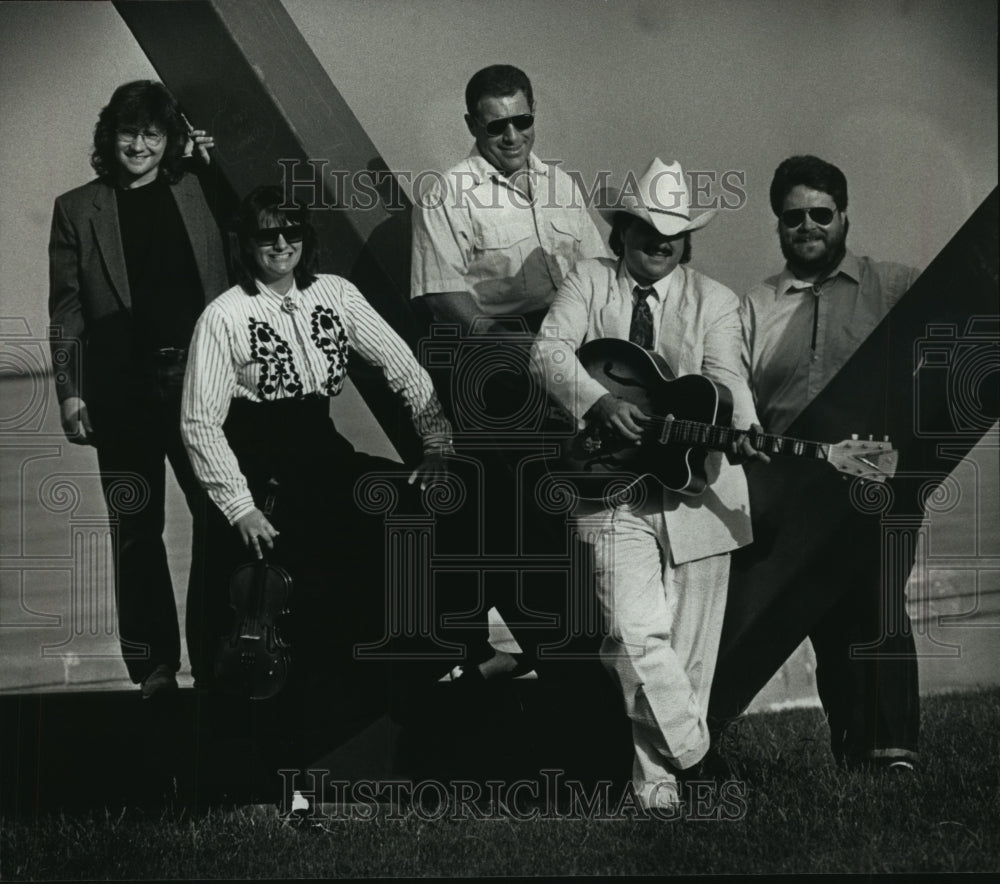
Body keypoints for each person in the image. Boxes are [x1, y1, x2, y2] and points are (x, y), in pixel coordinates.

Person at [532, 158, 767, 809]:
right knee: (633, 639)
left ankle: (658, 800)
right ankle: (701, 764)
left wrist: (745, 427)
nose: (658, 243)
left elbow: (729, 380)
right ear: (622, 233)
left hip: (699, 493)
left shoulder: (716, 301)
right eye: (646, 231)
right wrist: (600, 403)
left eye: (672, 233)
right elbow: (547, 353)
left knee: (685, 662)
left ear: (686, 239)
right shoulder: (588, 280)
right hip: (605, 486)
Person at [180, 184, 451, 690]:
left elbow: (404, 367)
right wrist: (240, 507)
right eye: (268, 234)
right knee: (314, 560)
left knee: (412, 506)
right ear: (245, 243)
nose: (282, 244)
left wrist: (436, 445)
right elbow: (199, 422)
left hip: (325, 454)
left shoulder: (337, 293)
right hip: (263, 475)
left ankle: (418, 658)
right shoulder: (223, 315)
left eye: (293, 231)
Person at [410, 63, 608, 683]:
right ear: (473, 125)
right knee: (527, 504)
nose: (513, 135)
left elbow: (600, 271)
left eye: (523, 120)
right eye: (497, 125)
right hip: (496, 356)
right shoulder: (446, 194)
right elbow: (442, 296)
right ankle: (553, 651)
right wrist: (517, 350)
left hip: (570, 344)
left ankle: (610, 636)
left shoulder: (563, 185)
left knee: (596, 492)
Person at [48, 80, 229, 698]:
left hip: (200, 385)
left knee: (221, 518)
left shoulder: (198, 188)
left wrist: (210, 159)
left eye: (153, 134)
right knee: (134, 529)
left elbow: (252, 228)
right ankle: (153, 670)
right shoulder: (76, 209)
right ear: (110, 137)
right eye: (129, 133)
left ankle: (215, 658)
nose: (140, 145)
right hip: (119, 391)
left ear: (168, 138)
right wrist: (71, 392)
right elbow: (67, 310)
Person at [741, 154, 921, 772]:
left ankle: (893, 750)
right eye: (794, 218)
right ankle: (853, 746)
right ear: (779, 226)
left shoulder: (895, 286)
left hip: (878, 477)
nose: (808, 227)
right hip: (793, 488)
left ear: (844, 217)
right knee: (824, 619)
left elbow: (958, 342)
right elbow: (740, 399)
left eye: (822, 214)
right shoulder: (754, 306)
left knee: (877, 602)